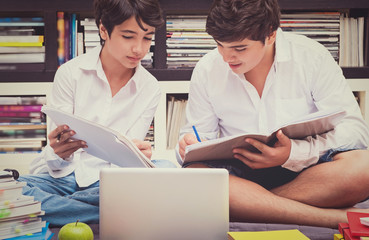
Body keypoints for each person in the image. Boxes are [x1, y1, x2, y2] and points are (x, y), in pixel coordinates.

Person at [178, 0, 369, 229]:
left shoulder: (311, 57)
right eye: (220, 45)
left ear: (271, 35)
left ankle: (251, 206)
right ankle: (330, 217)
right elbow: (198, 135)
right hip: (240, 173)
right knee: (196, 177)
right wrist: (189, 144)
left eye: (240, 48)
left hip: (307, 171)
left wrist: (293, 153)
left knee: (363, 166)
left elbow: (356, 132)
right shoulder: (207, 68)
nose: (227, 58)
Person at [18, 0, 175, 227]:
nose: (139, 49)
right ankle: (109, 212)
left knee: (168, 170)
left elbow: (125, 163)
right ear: (103, 29)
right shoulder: (70, 74)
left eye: (147, 37)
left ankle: (63, 209)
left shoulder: (149, 87)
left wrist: (138, 157)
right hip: (62, 177)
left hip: (109, 182)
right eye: (128, 36)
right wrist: (59, 153)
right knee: (9, 188)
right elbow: (55, 162)